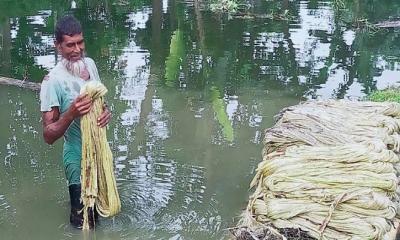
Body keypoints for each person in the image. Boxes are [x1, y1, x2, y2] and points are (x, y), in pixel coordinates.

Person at [39, 15, 111, 228]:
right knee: (82, 224)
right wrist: (71, 113)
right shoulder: (52, 81)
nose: (77, 49)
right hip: (77, 159)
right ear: (58, 46)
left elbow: (101, 103)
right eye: (70, 45)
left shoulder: (89, 64)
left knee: (100, 217)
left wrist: (107, 112)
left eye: (80, 42)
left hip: (99, 154)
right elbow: (48, 135)